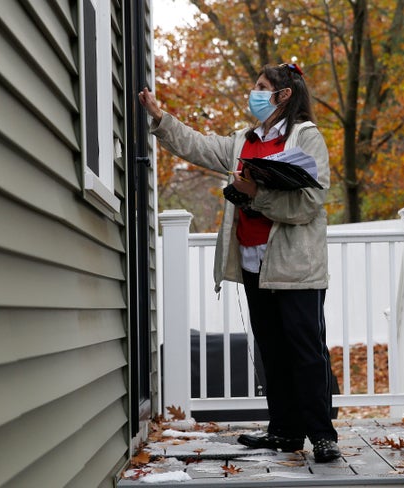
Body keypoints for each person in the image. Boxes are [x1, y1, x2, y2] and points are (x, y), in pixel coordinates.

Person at [138, 63, 341, 463]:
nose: (254, 92)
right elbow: (198, 145)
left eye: (262, 87)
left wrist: (252, 195)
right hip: (254, 263)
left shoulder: (306, 137)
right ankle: (284, 431)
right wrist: (160, 118)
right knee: (271, 350)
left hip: (295, 267)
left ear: (284, 95)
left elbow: (309, 204)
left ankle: (322, 435)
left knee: (306, 351)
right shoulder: (243, 141)